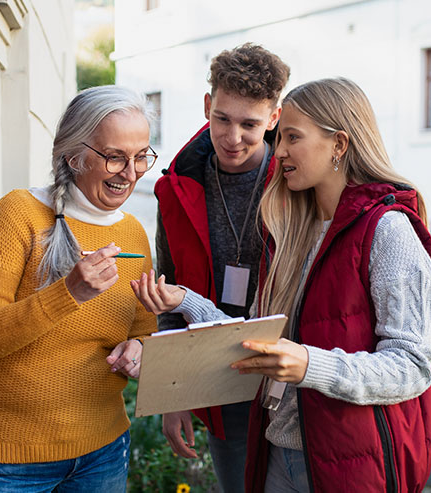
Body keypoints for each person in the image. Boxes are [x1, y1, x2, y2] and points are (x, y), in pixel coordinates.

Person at [132, 77, 431, 492]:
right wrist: (186, 301)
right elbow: (260, 336)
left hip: (349, 462)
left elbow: (415, 364)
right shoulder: (293, 229)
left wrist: (308, 365)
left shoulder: (388, 231)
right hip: (280, 453)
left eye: (292, 137)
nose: (277, 150)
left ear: (339, 144)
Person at [0, 85, 158, 492]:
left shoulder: (134, 233)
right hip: (10, 460)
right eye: (115, 157)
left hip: (103, 451)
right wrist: (69, 294)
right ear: (74, 155)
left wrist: (138, 349)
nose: (132, 172)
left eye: (142, 156)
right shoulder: (20, 214)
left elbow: (143, 329)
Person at [153, 42, 290, 492]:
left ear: (274, 118)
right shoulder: (176, 189)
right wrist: (175, 394)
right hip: (219, 377)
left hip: (293, 377)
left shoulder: (297, 184)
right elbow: (169, 291)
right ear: (208, 106)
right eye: (223, 120)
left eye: (250, 124)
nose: (234, 138)